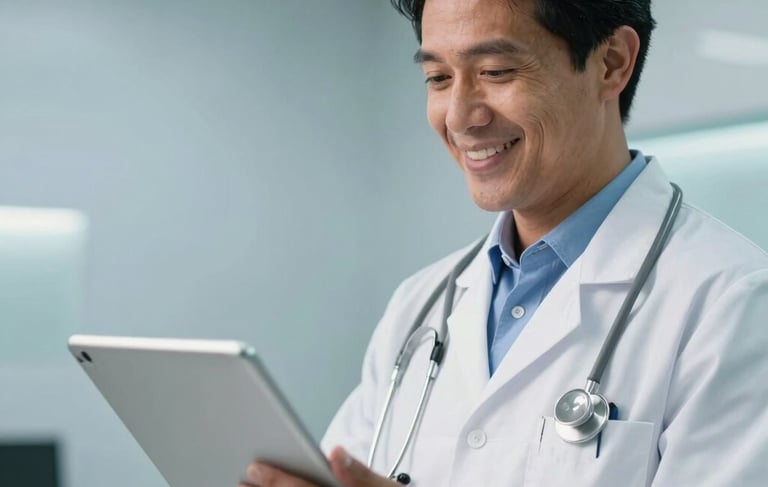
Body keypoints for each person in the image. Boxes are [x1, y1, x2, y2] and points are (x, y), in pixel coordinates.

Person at [240, 0, 768, 485]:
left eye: (496, 72)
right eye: (438, 77)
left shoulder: (734, 303)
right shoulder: (420, 306)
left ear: (611, 63)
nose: (459, 116)